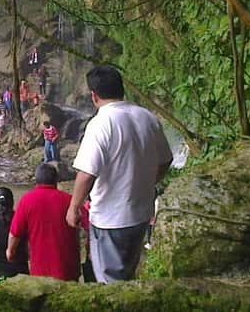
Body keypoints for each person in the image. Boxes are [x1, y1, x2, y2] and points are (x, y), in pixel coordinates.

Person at [65, 65, 173, 283]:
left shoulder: (101, 124)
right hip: (141, 214)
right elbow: (166, 160)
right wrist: (144, 184)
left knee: (110, 281)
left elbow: (86, 173)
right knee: (128, 273)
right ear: (122, 89)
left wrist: (73, 207)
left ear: (93, 96)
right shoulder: (147, 117)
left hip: (110, 218)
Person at [7, 164, 79, 281]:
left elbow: (15, 233)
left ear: (36, 181)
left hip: (41, 270)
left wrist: (10, 251)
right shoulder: (69, 200)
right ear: (56, 180)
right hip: (68, 269)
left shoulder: (27, 201)